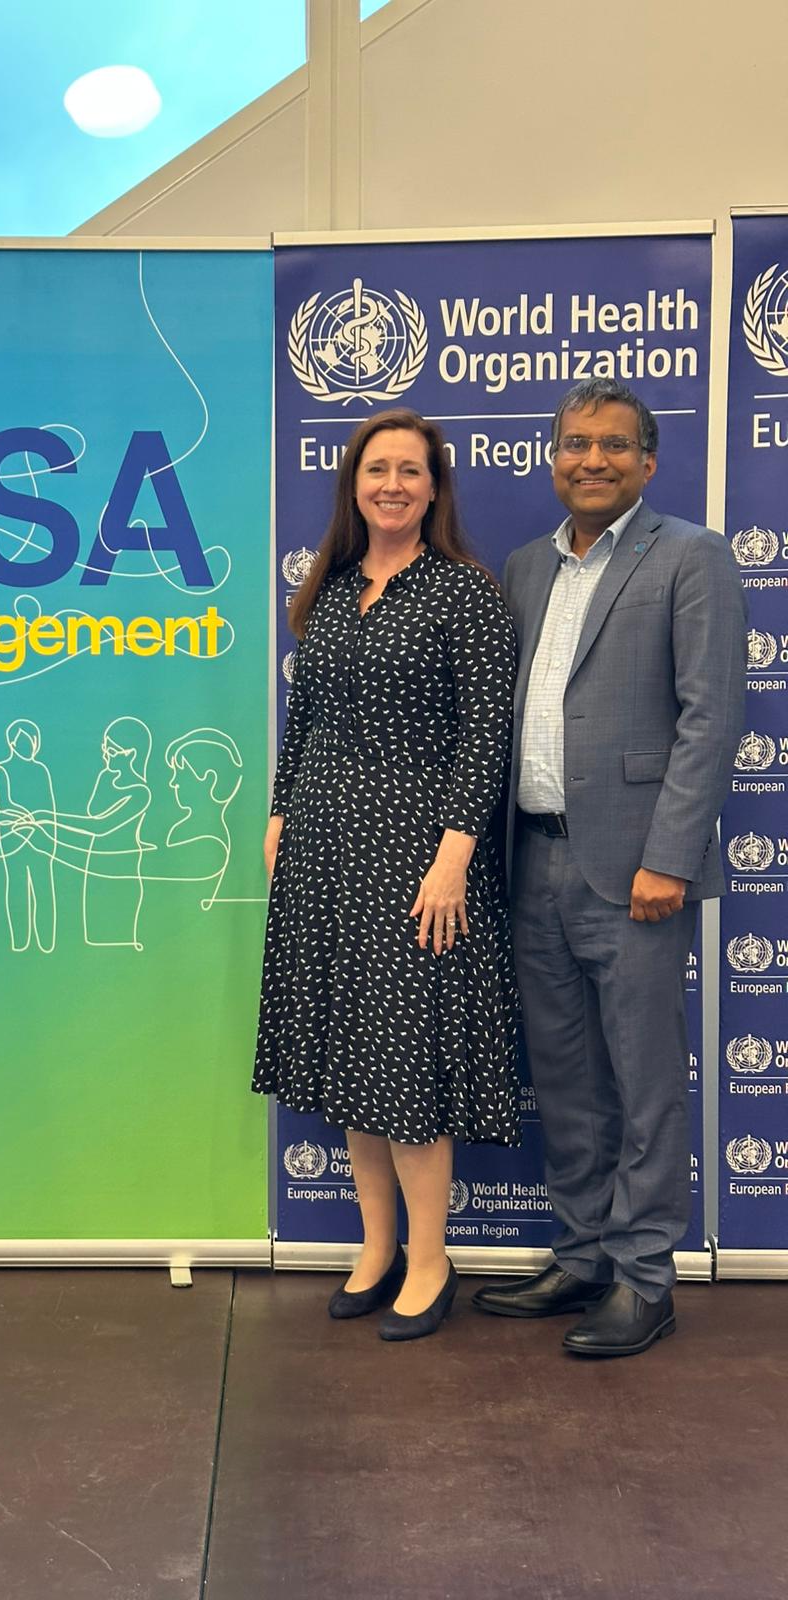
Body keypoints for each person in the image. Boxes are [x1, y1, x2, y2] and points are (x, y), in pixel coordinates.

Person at [472, 379, 746, 1358]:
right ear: (551, 457)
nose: (590, 459)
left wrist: (670, 856)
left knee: (640, 1080)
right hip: (534, 861)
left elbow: (711, 717)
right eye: (574, 443)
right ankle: (581, 1251)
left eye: (613, 446)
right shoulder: (523, 568)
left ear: (648, 461)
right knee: (569, 1078)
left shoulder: (691, 557)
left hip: (636, 873)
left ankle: (643, 1277)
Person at [254, 409, 520, 1342]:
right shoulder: (326, 589)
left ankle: (430, 1259)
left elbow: (487, 737)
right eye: (378, 470)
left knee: (405, 1061)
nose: (393, 485)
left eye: (411, 471)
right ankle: (374, 1249)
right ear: (353, 486)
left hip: (418, 858)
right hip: (325, 852)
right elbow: (308, 716)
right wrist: (281, 811)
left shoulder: (464, 594)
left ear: (436, 487)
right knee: (349, 1060)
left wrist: (455, 856)